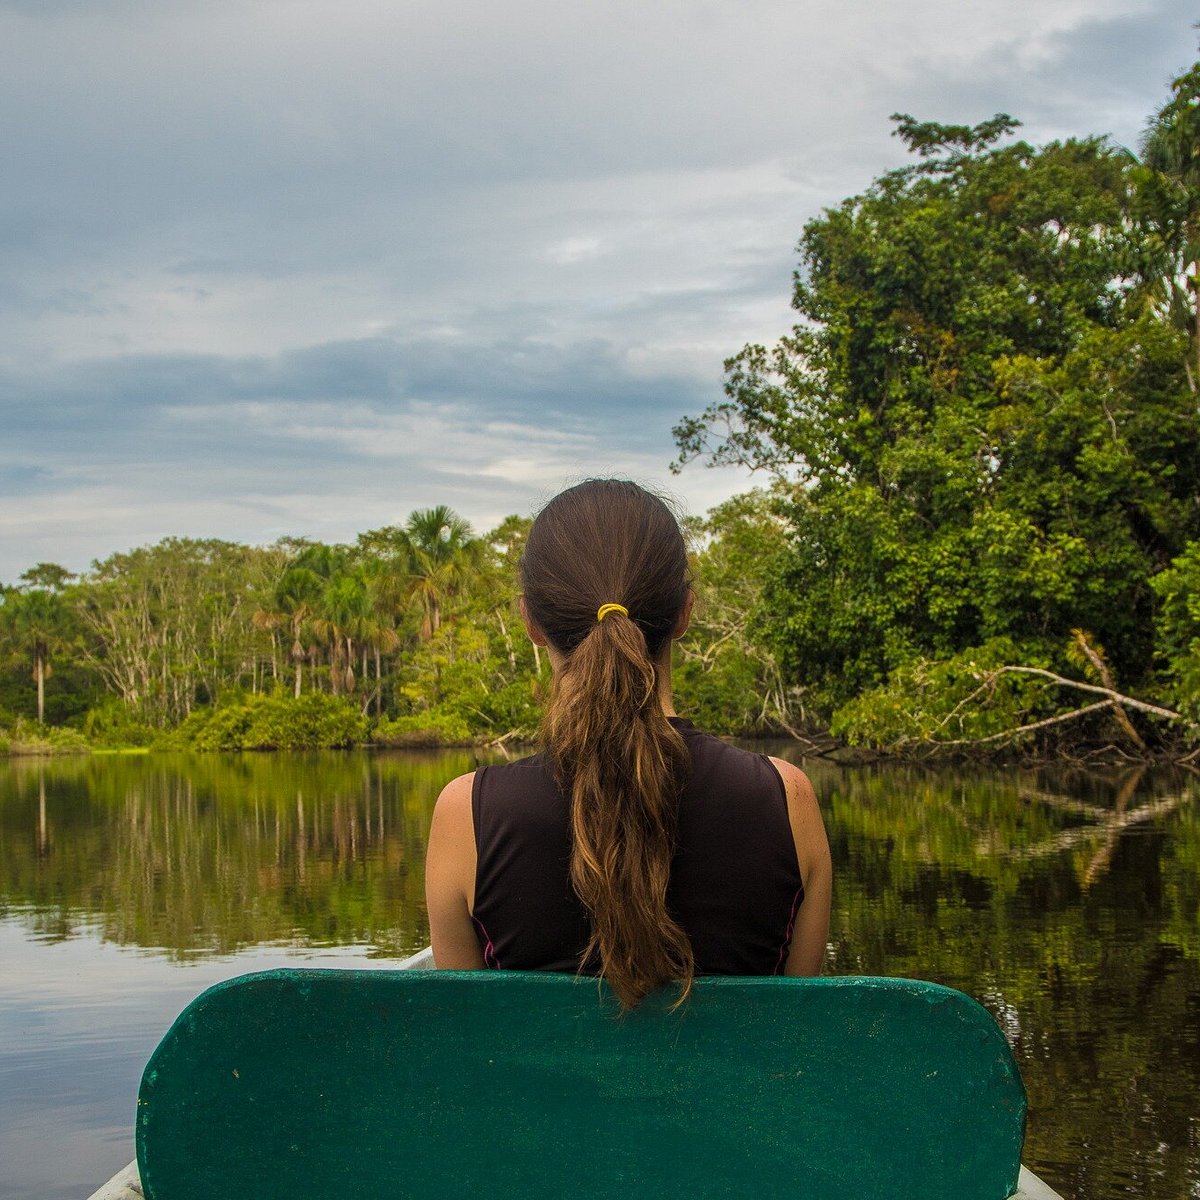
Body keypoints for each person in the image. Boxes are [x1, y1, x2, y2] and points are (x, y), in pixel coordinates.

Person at [424, 479, 831, 1008]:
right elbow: (798, 1032)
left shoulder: (465, 815)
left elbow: (466, 1037)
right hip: (728, 1094)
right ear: (685, 612)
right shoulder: (787, 799)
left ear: (531, 623)